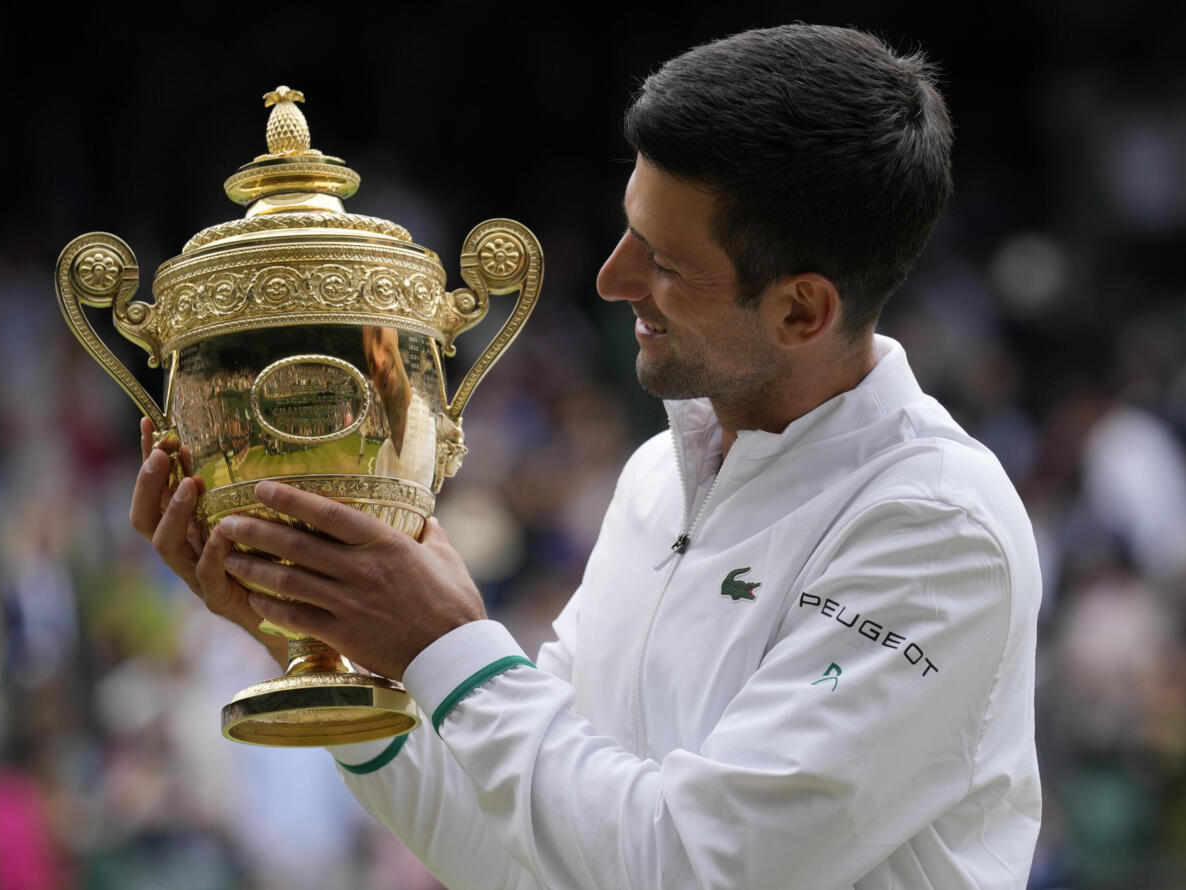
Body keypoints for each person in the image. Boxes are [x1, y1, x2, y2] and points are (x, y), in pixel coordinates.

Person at [131, 24, 1041, 889]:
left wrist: (447, 647)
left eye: (666, 263)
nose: (611, 278)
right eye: (627, 230)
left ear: (802, 311)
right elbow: (514, 853)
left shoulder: (934, 527)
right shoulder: (658, 477)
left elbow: (691, 868)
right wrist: (332, 636)